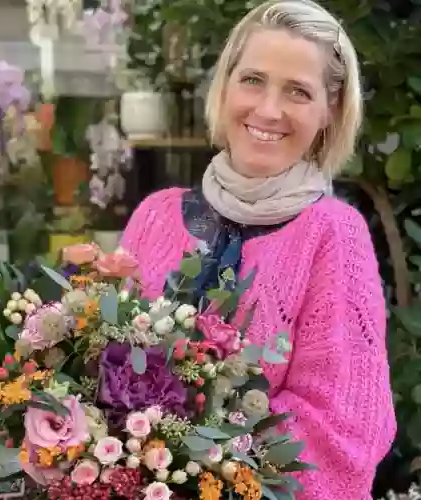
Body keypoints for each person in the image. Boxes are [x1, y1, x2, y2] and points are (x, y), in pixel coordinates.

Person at [117, 0, 397, 497]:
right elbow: (105, 363)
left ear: (329, 110)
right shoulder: (156, 216)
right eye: (252, 80)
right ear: (224, 86)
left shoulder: (333, 234)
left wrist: (199, 468)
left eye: (297, 91)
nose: (268, 110)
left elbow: (341, 429)